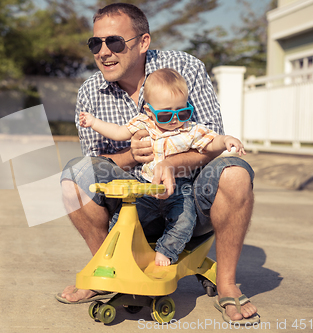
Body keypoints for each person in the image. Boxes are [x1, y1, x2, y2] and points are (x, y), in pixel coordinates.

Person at [56, 2, 259, 324]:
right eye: (96, 43)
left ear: (144, 42)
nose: (103, 52)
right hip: (133, 205)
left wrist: (173, 164)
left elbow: (213, 141)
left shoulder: (183, 69)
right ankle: (107, 273)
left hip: (189, 199)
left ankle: (227, 284)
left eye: (115, 42)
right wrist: (130, 156)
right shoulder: (90, 93)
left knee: (234, 172)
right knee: (73, 176)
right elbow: (94, 161)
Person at [78, 67, 246, 266]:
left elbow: (211, 142)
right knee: (123, 217)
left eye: (183, 112)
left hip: (179, 188)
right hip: (145, 186)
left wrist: (226, 140)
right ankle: (116, 251)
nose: (175, 119)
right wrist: (94, 122)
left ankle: (166, 251)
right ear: (149, 110)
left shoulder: (190, 130)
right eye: (165, 115)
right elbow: (118, 132)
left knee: (184, 220)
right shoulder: (144, 123)